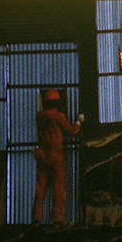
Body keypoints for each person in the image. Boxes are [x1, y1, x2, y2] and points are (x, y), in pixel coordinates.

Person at [31, 88, 83, 224]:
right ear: (57, 102)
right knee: (58, 187)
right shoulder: (58, 116)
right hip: (55, 155)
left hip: (42, 154)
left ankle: (36, 218)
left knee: (41, 187)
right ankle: (57, 218)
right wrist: (78, 121)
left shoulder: (39, 116)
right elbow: (72, 131)